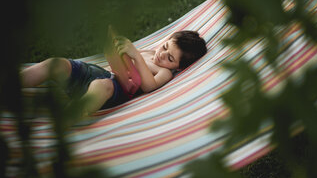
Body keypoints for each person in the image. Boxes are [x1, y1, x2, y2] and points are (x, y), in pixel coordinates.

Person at [20, 27, 207, 116]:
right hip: (96, 73)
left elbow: (149, 86)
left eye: (170, 59)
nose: (162, 55)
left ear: (178, 68)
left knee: (102, 86)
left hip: (113, 90)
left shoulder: (165, 72)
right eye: (165, 47)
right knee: (57, 64)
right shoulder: (152, 52)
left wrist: (135, 54)